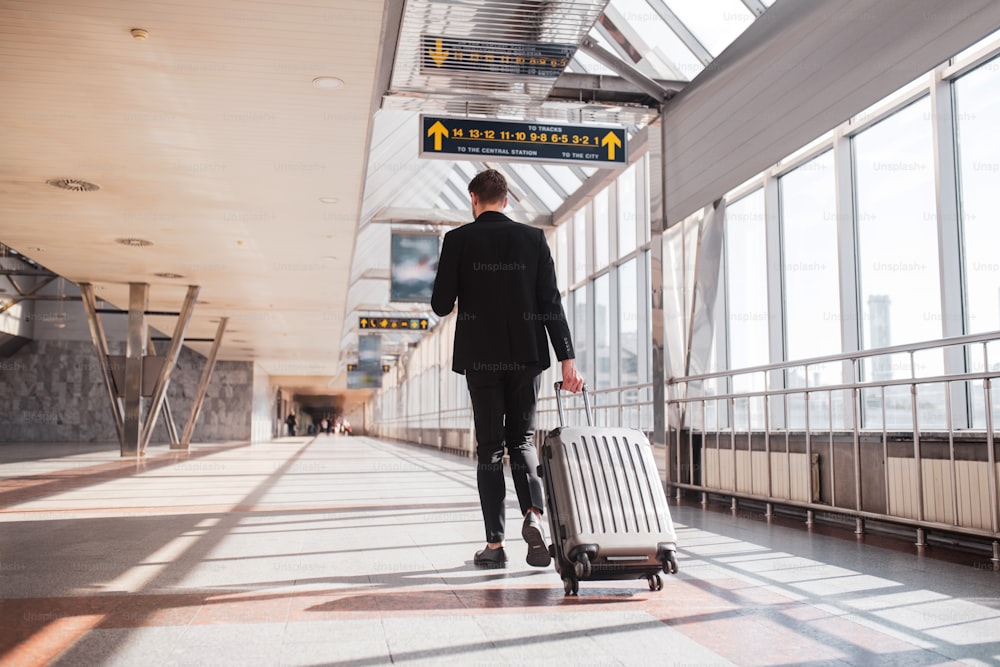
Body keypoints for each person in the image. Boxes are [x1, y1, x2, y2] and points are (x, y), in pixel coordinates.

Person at [431, 168, 583, 568]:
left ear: (473, 200)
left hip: (481, 358)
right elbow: (551, 302)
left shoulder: (458, 240)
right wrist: (568, 358)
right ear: (507, 199)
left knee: (490, 448)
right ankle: (533, 513)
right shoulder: (533, 238)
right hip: (527, 356)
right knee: (522, 441)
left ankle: (495, 548)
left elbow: (441, 304)